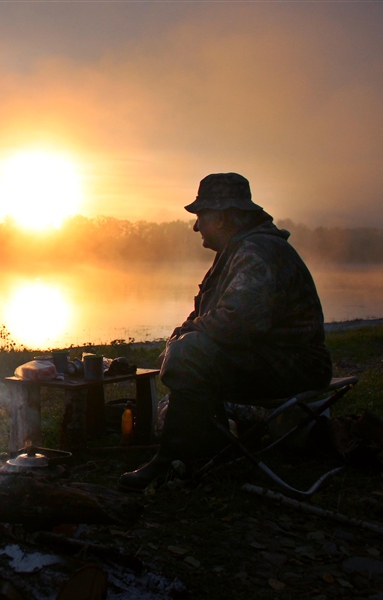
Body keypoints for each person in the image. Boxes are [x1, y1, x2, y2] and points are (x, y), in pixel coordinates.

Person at [119, 173, 333, 491]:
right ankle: (201, 448)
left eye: (200, 217)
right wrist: (182, 336)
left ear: (221, 217)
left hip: (295, 366)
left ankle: (175, 459)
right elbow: (207, 317)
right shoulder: (237, 251)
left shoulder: (256, 252)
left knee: (190, 353)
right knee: (187, 350)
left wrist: (184, 343)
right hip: (271, 359)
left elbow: (239, 323)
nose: (195, 226)